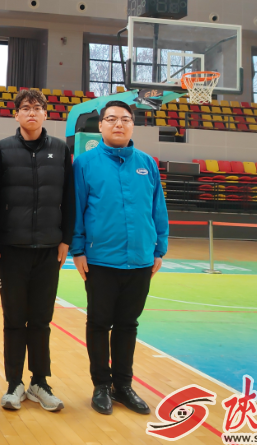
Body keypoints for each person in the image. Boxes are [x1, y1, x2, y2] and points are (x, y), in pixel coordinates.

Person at [70, 101, 167, 416]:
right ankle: (101, 385)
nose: (118, 124)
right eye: (111, 119)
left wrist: (159, 248)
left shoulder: (147, 163)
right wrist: (78, 249)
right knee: (99, 323)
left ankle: (123, 386)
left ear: (132, 125)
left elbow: (158, 208)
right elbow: (76, 208)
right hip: (100, 260)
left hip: (140, 260)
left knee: (128, 325)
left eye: (125, 119)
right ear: (100, 126)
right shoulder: (84, 164)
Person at [0, 89, 74, 412]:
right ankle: (14, 384)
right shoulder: (1, 149)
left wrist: (66, 239)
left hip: (49, 249)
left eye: (38, 107)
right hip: (11, 249)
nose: (32, 112)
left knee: (40, 320)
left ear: (46, 114)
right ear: (16, 114)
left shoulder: (61, 150)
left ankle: (40, 382)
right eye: (26, 108)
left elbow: (70, 197)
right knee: (14, 320)